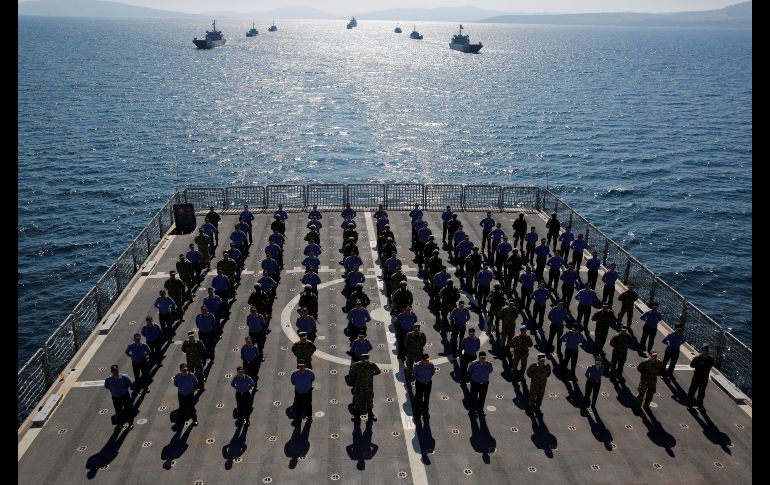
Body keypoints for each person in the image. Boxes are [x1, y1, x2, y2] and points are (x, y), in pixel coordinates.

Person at [351, 354, 381, 422]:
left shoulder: (372, 365)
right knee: (358, 400)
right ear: (361, 359)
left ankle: (370, 414)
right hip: (359, 385)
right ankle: (356, 415)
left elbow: (378, 371)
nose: (366, 361)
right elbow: (352, 372)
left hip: (369, 386)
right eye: (364, 360)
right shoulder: (357, 365)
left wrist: (372, 374)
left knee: (369, 400)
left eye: (367, 360)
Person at [104, 364, 133, 429]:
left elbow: (130, 384)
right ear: (111, 372)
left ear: (118, 370)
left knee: (128, 410)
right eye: (114, 371)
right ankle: (120, 423)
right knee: (118, 411)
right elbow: (106, 386)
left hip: (125, 396)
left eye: (116, 370)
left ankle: (130, 423)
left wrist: (123, 390)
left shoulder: (124, 377)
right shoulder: (108, 380)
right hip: (116, 398)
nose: (115, 372)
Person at [687, 344, 715, 411]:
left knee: (702, 393)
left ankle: (700, 405)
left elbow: (711, 365)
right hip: (696, 378)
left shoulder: (711, 359)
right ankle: (690, 405)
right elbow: (692, 365)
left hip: (704, 379)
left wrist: (703, 364)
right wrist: (699, 363)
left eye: (707, 350)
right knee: (692, 392)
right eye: (705, 350)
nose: (706, 352)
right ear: (702, 350)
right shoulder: (697, 357)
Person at [467, 352, 493, 417]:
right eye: (481, 357)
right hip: (475, 383)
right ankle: (471, 412)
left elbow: (490, 370)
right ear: (479, 357)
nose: (483, 359)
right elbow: (469, 371)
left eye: (484, 357)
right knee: (473, 398)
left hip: (484, 384)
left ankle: (480, 411)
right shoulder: (473, 364)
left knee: (482, 398)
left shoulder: (489, 364)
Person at [413, 353, 435, 421]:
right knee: (418, 399)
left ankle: (426, 413)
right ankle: (417, 413)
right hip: (419, 384)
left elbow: (433, 372)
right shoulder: (417, 366)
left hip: (428, 384)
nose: (427, 361)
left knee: (426, 398)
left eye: (428, 360)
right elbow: (414, 374)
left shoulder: (431, 365)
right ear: (422, 360)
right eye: (425, 360)